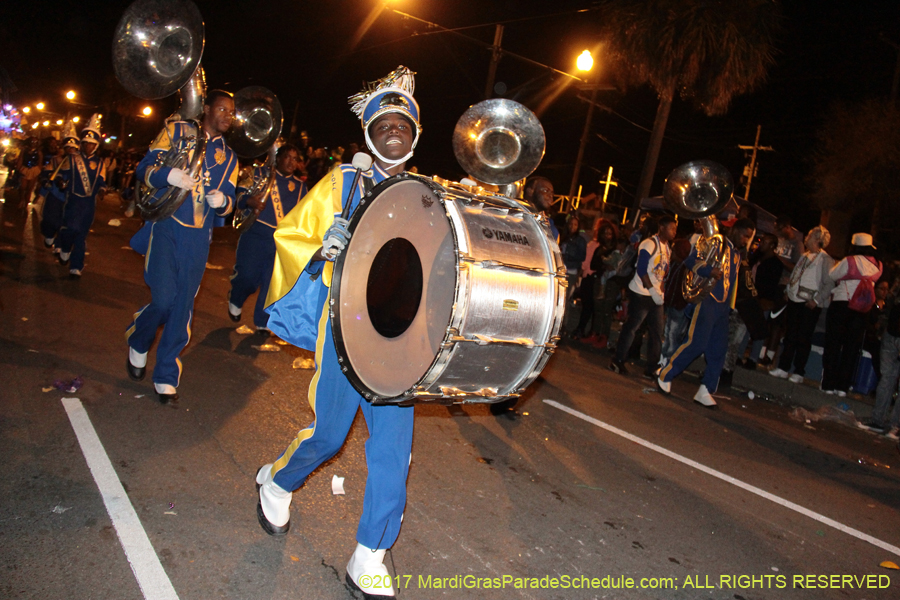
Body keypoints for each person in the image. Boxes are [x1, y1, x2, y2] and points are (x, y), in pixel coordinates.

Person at [255, 66, 421, 599]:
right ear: (368, 134)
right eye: (383, 122)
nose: (393, 128)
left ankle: (370, 551)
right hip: (345, 333)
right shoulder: (342, 183)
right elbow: (290, 236)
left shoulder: (428, 196)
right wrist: (319, 250)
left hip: (403, 343)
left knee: (394, 451)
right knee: (329, 435)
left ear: (415, 134)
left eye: (402, 122)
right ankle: (279, 480)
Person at [125, 90, 238, 405]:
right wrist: (168, 175)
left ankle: (166, 375)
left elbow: (230, 198)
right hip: (166, 227)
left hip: (198, 239)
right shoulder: (177, 131)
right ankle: (139, 338)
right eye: (223, 109)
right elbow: (144, 169)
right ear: (206, 109)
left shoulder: (230, 157)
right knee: (163, 300)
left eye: (232, 112)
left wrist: (224, 202)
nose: (229, 116)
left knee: (183, 307)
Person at [658, 219, 756, 407]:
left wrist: (730, 307)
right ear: (735, 230)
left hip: (723, 308)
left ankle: (706, 389)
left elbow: (731, 283)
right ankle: (665, 374)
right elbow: (689, 259)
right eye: (745, 235)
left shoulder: (737, 254)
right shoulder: (716, 243)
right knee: (697, 343)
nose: (746, 240)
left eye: (749, 237)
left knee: (719, 350)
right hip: (707, 302)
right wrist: (708, 270)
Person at [227, 144, 307, 333]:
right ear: (278, 158)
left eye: (295, 159)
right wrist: (249, 201)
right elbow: (238, 194)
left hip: (280, 241)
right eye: (287, 156)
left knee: (271, 282)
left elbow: (303, 215)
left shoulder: (300, 187)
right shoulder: (259, 174)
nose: (291, 161)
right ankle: (236, 297)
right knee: (247, 276)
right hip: (255, 233)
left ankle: (263, 322)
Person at [609, 215, 676, 377]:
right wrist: (653, 291)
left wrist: (660, 292)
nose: (674, 232)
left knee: (656, 332)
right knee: (632, 327)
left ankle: (651, 367)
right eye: (672, 228)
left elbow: (662, 274)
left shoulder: (667, 248)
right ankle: (618, 360)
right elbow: (641, 270)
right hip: (641, 293)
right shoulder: (648, 244)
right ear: (662, 228)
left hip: (655, 297)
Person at [769, 226, 835, 383]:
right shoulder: (805, 256)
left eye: (811, 235)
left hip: (810, 303)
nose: (807, 237)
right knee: (790, 334)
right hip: (795, 300)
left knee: (804, 337)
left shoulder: (825, 260)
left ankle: (799, 371)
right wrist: (788, 290)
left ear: (818, 239)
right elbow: (796, 275)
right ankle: (783, 367)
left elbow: (829, 283)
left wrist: (817, 300)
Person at [821, 233, 883, 396]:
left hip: (843, 302)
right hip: (863, 309)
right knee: (851, 347)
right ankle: (842, 386)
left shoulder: (850, 260)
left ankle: (828, 383)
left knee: (834, 343)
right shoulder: (878, 265)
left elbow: (832, 275)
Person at [55, 115, 107, 276]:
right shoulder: (71, 159)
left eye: (91, 144)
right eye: (85, 144)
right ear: (82, 144)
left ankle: (76, 267)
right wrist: (61, 182)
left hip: (88, 205)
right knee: (69, 229)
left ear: (96, 146)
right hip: (73, 202)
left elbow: (102, 182)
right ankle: (64, 248)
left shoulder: (100, 164)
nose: (88, 147)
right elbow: (60, 175)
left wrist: (103, 190)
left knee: (81, 236)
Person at [859, 289, 900, 439]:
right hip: (892, 334)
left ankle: (895, 425)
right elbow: (891, 304)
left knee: (888, 378)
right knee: (886, 378)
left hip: (893, 333)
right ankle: (878, 420)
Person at [38, 121, 78, 248]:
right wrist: (46, 181)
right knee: (50, 220)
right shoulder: (56, 160)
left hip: (71, 197)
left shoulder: (80, 165)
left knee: (66, 224)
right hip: (55, 195)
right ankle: (49, 236)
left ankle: (61, 245)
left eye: (74, 148)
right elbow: (45, 174)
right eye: (68, 147)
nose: (71, 150)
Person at [15, 136, 42, 210]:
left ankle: (26, 203)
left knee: (29, 189)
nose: (33, 143)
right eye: (32, 142)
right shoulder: (24, 150)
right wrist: (18, 168)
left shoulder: (38, 152)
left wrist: (38, 170)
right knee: (22, 187)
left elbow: (40, 162)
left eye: (35, 142)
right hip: (25, 169)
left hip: (34, 170)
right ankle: (21, 199)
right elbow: (20, 159)